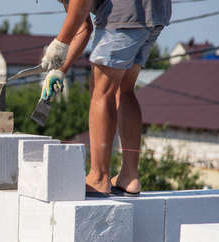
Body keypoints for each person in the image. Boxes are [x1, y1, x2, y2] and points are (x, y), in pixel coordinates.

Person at [40, 0, 172, 196]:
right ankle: (129, 176)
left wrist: (60, 43)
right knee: (124, 89)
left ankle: (99, 177)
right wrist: (60, 70)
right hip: (154, 12)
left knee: (102, 92)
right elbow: (83, 27)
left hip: (122, 14)